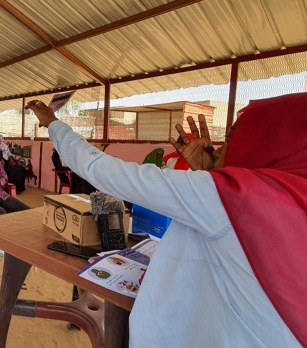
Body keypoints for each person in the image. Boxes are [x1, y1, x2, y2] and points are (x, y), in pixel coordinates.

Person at [26, 94, 304, 347]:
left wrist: (53, 124)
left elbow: (99, 168)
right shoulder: (291, 198)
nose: (222, 148)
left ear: (264, 139)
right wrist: (210, 174)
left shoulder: (235, 197)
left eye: (232, 136)